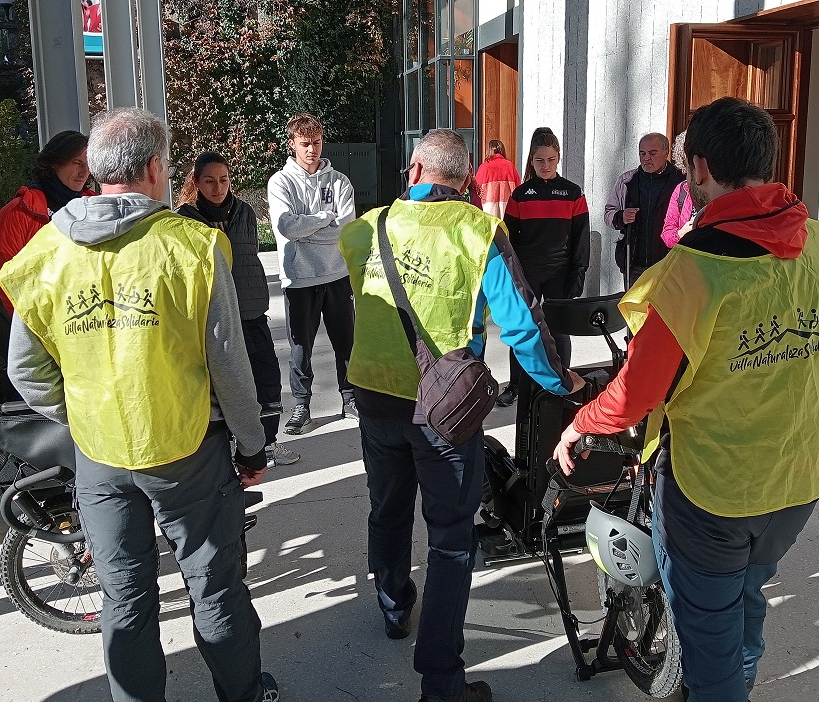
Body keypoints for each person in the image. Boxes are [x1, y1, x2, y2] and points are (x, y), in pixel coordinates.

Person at [553, 97, 819, 702]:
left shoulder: (694, 270)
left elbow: (638, 392)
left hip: (713, 489)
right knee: (747, 593)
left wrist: (581, 423)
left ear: (698, 167)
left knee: (708, 632)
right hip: (799, 477)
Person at [0, 108, 278, 702]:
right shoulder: (193, 247)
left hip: (99, 454)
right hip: (188, 450)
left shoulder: (48, 251)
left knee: (123, 597)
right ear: (154, 167)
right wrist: (253, 446)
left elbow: (25, 370)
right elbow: (230, 365)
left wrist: (80, 412)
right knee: (215, 588)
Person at [339, 128, 585, 702]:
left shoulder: (364, 229)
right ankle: (441, 681)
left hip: (375, 395)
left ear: (414, 170)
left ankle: (394, 602)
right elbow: (522, 324)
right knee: (450, 538)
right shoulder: (479, 232)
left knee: (387, 506)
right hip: (446, 409)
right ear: (467, 180)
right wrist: (563, 382)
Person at [176, 151, 300, 469]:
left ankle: (267, 443)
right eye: (209, 181)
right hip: (211, 320)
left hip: (250, 313)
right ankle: (227, 448)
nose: (218, 187)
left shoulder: (244, 211)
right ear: (196, 182)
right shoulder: (184, 220)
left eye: (224, 180)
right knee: (223, 388)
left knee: (266, 381)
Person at [267, 113, 357, 434]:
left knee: (346, 343)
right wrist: (324, 218)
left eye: (316, 142)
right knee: (300, 348)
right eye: (305, 143)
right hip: (299, 279)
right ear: (292, 144)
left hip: (337, 275)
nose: (311, 149)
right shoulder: (280, 182)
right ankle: (302, 405)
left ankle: (350, 398)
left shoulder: (339, 181)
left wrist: (307, 229)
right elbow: (286, 227)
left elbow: (345, 228)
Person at [495, 127, 589, 408]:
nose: (545, 166)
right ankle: (516, 385)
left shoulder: (573, 193)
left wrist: (579, 272)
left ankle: (562, 383)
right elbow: (508, 239)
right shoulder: (520, 195)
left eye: (551, 159)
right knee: (524, 330)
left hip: (560, 272)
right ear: (531, 160)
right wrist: (510, 275)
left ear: (558, 157)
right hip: (528, 273)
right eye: (539, 160)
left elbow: (581, 237)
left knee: (558, 331)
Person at [0, 130, 94, 312]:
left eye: (89, 164)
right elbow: (4, 280)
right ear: (54, 163)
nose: (84, 172)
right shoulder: (18, 212)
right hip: (37, 317)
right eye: (77, 163)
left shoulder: (96, 206)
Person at [604, 132, 685, 286]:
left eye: (652, 153)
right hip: (634, 264)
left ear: (666, 152)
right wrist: (621, 217)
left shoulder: (680, 181)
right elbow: (609, 213)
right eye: (642, 153)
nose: (646, 158)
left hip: (669, 264)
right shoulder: (627, 181)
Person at [660, 131, 698, 249]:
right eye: (687, 159)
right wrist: (681, 233)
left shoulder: (722, 187)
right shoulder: (682, 189)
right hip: (687, 257)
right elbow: (667, 234)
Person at [473, 138, 521, 217]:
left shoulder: (484, 167)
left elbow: (476, 190)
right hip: (507, 210)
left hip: (488, 210)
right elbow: (518, 189)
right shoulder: (510, 166)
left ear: (488, 151)